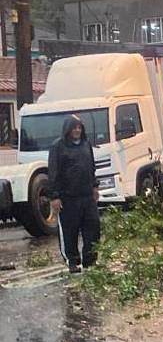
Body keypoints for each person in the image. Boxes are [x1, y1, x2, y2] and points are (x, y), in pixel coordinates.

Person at [47, 115, 100, 274]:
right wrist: (54, 196)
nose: (77, 130)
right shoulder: (58, 147)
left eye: (79, 127)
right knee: (70, 231)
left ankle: (90, 261)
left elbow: (91, 167)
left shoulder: (86, 144)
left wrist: (94, 187)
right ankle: (72, 261)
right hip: (68, 198)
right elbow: (53, 172)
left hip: (87, 197)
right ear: (68, 129)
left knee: (93, 228)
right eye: (74, 127)